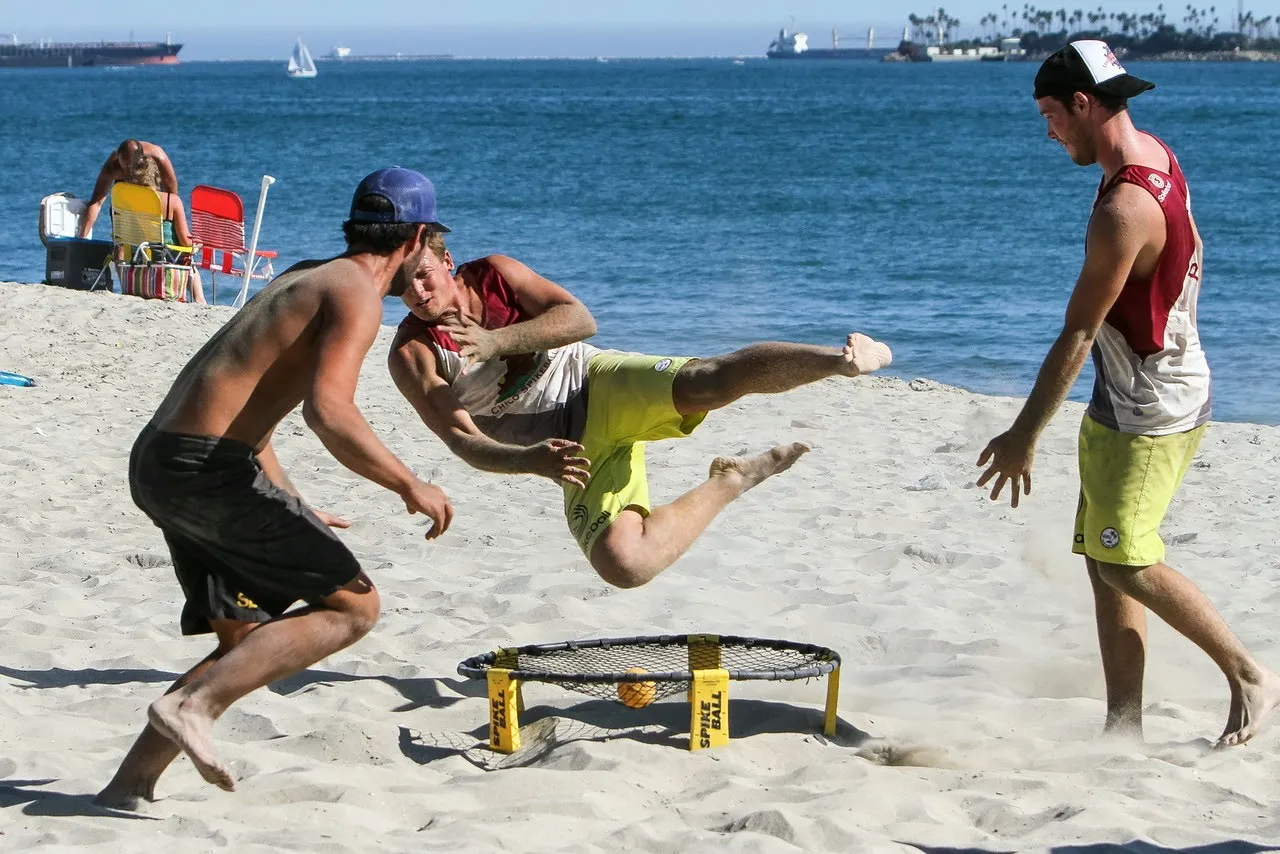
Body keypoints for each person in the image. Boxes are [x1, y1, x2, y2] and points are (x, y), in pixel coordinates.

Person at [95, 167, 455, 808]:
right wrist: (408, 482)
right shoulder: (356, 293)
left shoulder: (305, 275)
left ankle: (130, 784)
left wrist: (288, 500)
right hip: (203, 469)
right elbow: (329, 411)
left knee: (246, 638)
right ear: (418, 237)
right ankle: (192, 705)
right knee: (354, 607)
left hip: (161, 460)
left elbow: (252, 415)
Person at [975, 40, 1279, 748]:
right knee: (1104, 564)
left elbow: (1078, 333)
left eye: (1051, 114)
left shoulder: (1123, 208)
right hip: (1134, 392)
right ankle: (1123, 730)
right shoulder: (1155, 157)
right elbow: (1195, 248)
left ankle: (1249, 674)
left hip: (1152, 407)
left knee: (1123, 558)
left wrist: (1023, 435)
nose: (1047, 130)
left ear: (1084, 104)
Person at [388, 229, 892, 590]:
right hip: (568, 449)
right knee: (624, 566)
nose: (418, 292)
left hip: (595, 381)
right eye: (403, 284)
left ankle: (840, 361)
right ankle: (731, 480)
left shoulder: (495, 273)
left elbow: (581, 319)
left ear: (447, 260)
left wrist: (498, 340)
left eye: (425, 276)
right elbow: (462, 441)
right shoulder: (412, 352)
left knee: (710, 379)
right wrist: (532, 460)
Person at [130, 154, 207, 304]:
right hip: (166, 265)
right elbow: (185, 241)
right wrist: (199, 243)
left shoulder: (128, 200)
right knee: (189, 258)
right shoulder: (171, 201)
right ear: (157, 177)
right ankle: (200, 301)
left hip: (137, 263)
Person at [78, 139, 178, 239]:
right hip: (124, 192)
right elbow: (96, 203)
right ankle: (120, 250)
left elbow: (172, 197)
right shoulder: (113, 166)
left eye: (129, 167)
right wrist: (82, 238)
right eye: (123, 168)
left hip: (151, 190)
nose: (126, 172)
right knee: (118, 212)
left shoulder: (158, 157)